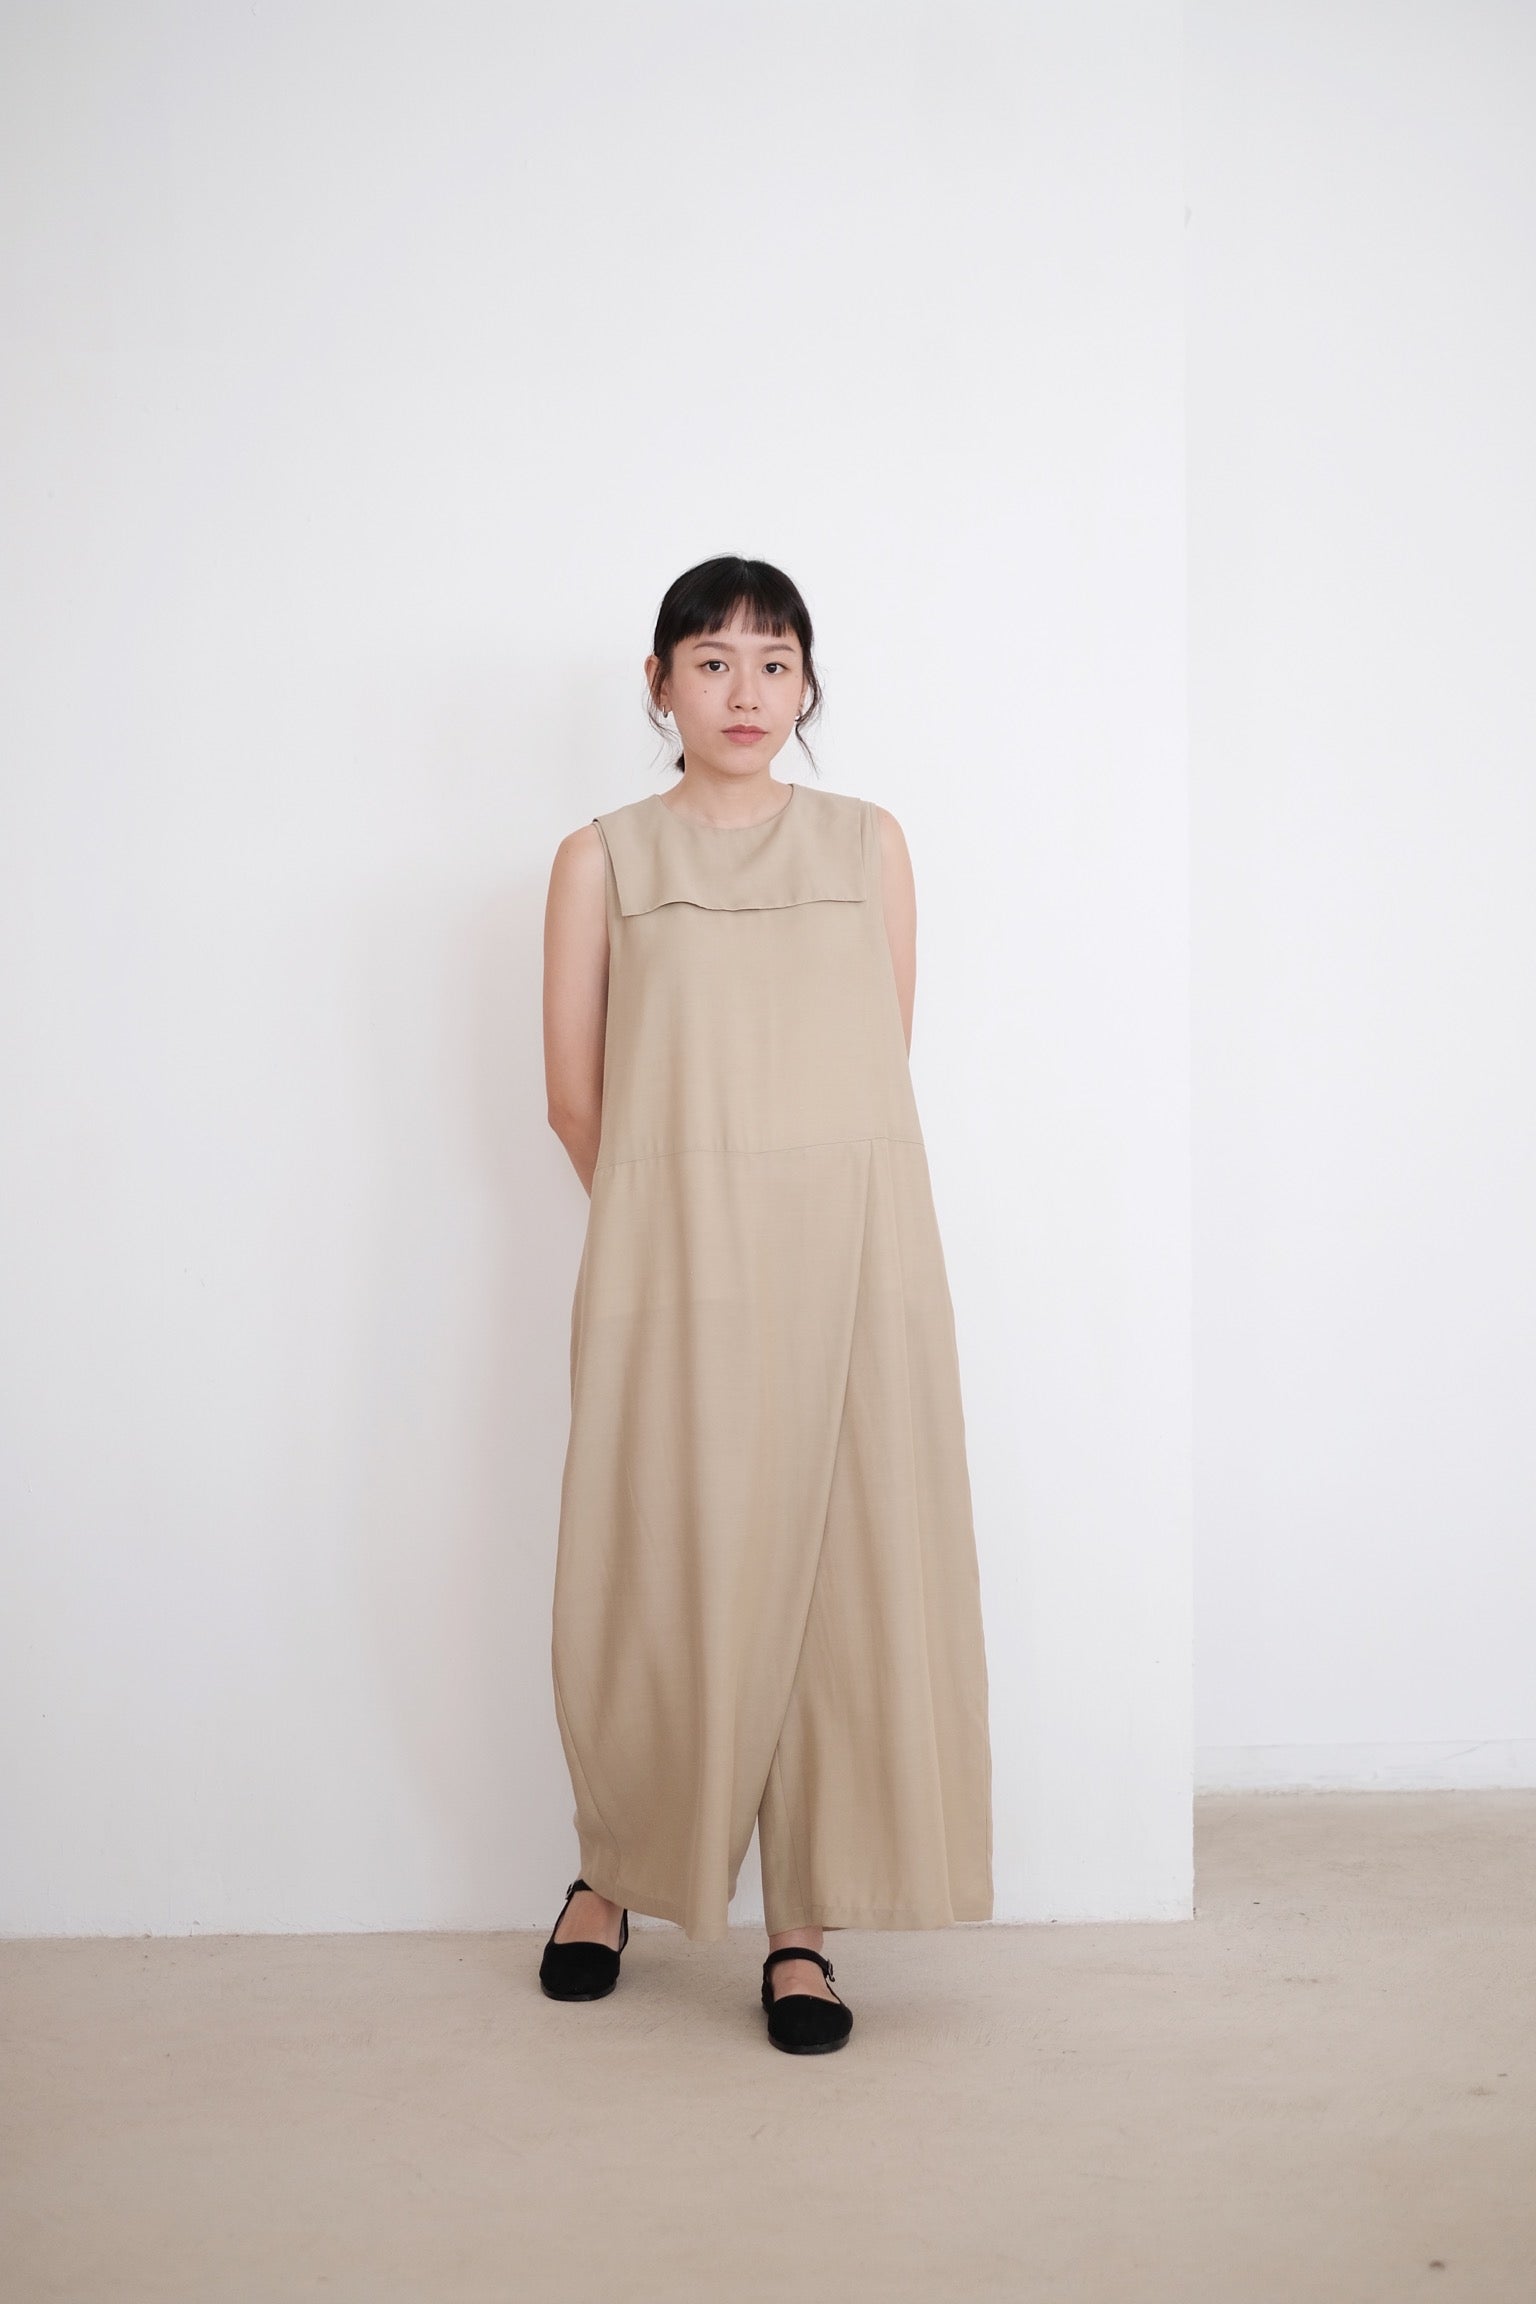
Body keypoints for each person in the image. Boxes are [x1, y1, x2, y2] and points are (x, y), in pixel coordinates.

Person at [538, 556, 992, 2054]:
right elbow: (573, 1097)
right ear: (660, 683)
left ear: (807, 684)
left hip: (853, 1260)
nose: (748, 692)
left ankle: (805, 1927)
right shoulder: (601, 858)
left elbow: (878, 1064)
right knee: (658, 1563)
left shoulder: (869, 843)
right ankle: (614, 1869)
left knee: (841, 1584)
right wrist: (672, 1226)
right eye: (714, 660)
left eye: (776, 661)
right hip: (672, 1263)